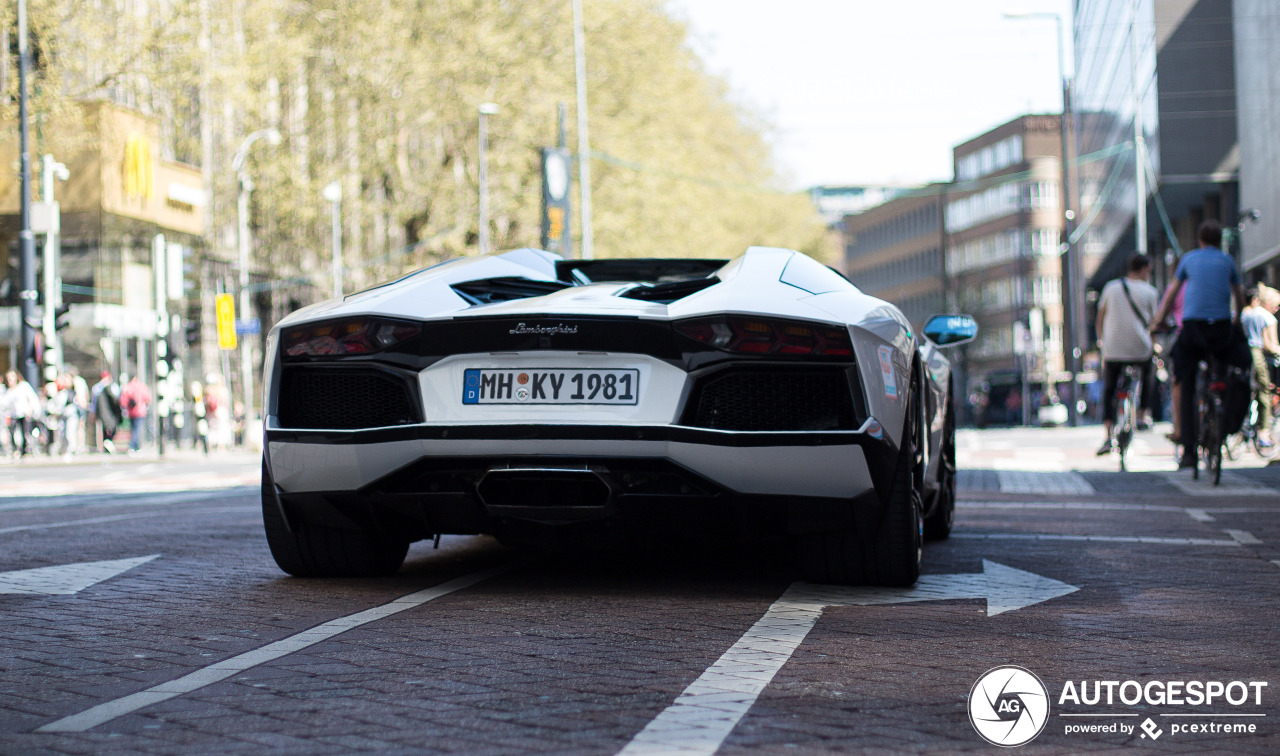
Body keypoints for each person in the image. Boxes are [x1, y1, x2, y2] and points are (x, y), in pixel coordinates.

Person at [1149, 220, 1251, 468]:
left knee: (1185, 379)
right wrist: (1237, 319)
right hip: (1221, 328)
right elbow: (1239, 295)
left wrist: (1159, 321)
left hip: (1193, 327)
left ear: (1200, 240)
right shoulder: (1227, 261)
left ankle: (1189, 452)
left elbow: (1173, 292)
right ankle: (1224, 414)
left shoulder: (1189, 259)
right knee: (1235, 366)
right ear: (1219, 240)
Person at [1095, 254, 1159, 455]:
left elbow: (1100, 317)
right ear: (1143, 270)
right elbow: (1154, 324)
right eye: (1149, 271)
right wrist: (1155, 344)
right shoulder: (1150, 292)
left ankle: (1107, 434)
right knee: (1149, 370)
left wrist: (1101, 341)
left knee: (1109, 388)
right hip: (1139, 348)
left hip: (1113, 349)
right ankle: (1142, 413)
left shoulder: (1111, 288)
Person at [1241, 285, 1280, 447]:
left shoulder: (1247, 314)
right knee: (1264, 391)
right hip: (1257, 355)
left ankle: (1242, 423)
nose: (1277, 308)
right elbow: (1270, 344)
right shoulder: (1268, 318)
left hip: (1242, 353)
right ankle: (1264, 431)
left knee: (1244, 390)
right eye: (1276, 305)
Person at [2, 370, 41, 458]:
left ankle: (24, 450)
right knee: (12, 431)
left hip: (23, 413)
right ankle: (14, 449)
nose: (10, 380)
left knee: (24, 432)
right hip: (13, 414)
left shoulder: (23, 386)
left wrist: (30, 409)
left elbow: (31, 397)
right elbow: (5, 403)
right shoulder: (7, 390)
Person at [119, 374, 153, 453]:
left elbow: (123, 400)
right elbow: (148, 398)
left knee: (134, 429)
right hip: (140, 411)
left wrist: (125, 408)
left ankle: (136, 446)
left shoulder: (127, 387)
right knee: (136, 430)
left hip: (131, 412)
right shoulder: (141, 386)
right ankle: (132, 446)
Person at [91, 370, 122, 453]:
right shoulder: (97, 388)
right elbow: (94, 402)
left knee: (113, 428)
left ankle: (108, 442)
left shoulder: (114, 387)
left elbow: (118, 399)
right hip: (104, 412)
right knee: (104, 429)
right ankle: (106, 444)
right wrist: (93, 412)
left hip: (112, 411)